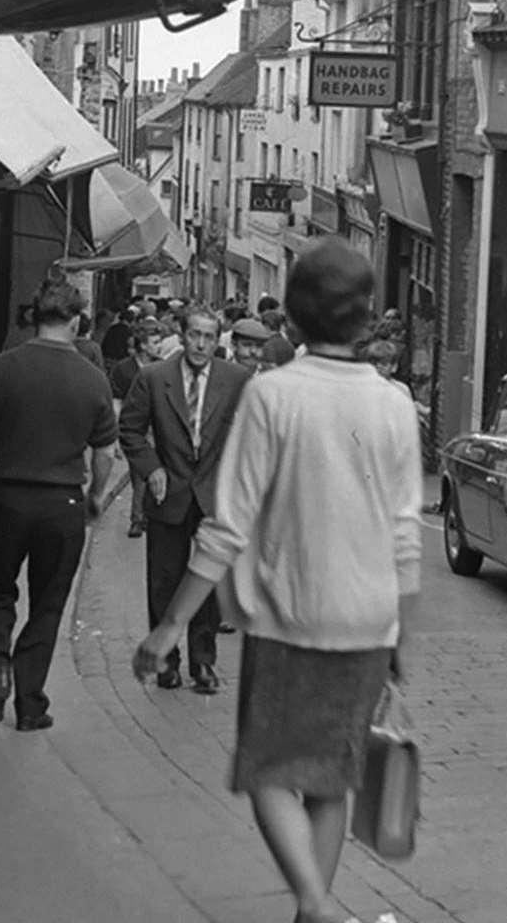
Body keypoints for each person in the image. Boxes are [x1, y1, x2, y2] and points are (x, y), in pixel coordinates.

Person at [132, 238, 421, 923]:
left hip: (287, 618)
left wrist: (171, 625)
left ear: (291, 316)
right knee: (329, 781)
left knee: (266, 771)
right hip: (367, 623)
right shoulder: (393, 404)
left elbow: (226, 526)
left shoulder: (272, 395)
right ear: (366, 319)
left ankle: (315, 906)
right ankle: (309, 913)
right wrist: (403, 634)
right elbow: (405, 535)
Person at [0, 277, 117, 731]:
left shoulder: (1, 369)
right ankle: (31, 704)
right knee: (47, 603)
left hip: (4, 497)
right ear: (76, 320)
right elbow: (104, 453)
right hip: (62, 500)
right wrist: (95, 497)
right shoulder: (93, 380)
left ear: (34, 316)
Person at [119, 306, 250, 694]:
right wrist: (152, 468)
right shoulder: (154, 378)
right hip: (169, 492)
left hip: (213, 494)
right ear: (183, 333)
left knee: (208, 581)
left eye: (210, 337)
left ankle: (204, 663)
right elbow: (130, 430)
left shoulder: (237, 379)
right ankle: (167, 661)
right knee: (164, 579)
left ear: (217, 340)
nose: (201, 344)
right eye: (194, 335)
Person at [110, 330, 156, 537]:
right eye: (155, 342)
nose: (159, 345)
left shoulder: (162, 366)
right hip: (136, 427)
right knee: (140, 473)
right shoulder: (124, 369)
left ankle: (151, 515)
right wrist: (116, 433)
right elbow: (116, 400)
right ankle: (138, 518)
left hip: (158, 426)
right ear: (143, 345)